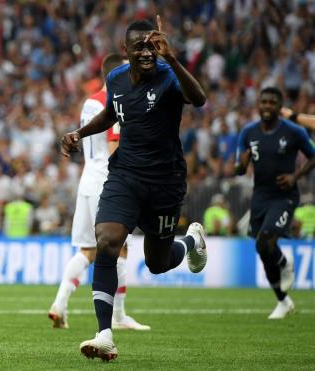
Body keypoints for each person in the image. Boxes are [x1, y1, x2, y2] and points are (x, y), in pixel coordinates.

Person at [61, 16, 208, 361]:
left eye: (151, 44)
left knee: (156, 263)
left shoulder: (169, 75)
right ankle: (104, 334)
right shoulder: (115, 79)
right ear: (125, 51)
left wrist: (172, 57)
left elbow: (199, 99)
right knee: (107, 241)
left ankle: (189, 242)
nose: (146, 51)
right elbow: (114, 114)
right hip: (124, 175)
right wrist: (79, 134)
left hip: (164, 182)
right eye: (139, 45)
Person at [48, 53, 149, 331]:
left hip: (87, 180)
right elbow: (114, 144)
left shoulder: (89, 102)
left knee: (87, 250)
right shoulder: (114, 102)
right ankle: (119, 316)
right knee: (122, 249)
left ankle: (60, 303)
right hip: (108, 182)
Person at [235, 86, 315, 319]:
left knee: (266, 237)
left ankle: (283, 261)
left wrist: (295, 177)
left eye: (272, 103)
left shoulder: (293, 131)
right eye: (264, 102)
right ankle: (283, 300)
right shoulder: (248, 133)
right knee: (261, 247)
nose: (267, 106)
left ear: (280, 107)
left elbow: (313, 156)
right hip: (260, 195)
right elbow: (239, 169)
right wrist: (242, 164)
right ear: (258, 105)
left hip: (285, 195)